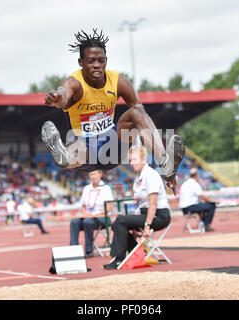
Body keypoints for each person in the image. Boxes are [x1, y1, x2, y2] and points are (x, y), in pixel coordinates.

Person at [41, 29, 185, 194]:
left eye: (101, 61)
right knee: (76, 147)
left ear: (106, 61)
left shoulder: (119, 81)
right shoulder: (74, 83)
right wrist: (58, 99)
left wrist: (169, 175)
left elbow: (142, 118)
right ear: (81, 62)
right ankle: (64, 158)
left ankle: (165, 163)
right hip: (85, 148)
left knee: (137, 111)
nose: (97, 65)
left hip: (111, 145)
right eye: (91, 61)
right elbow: (64, 95)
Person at [103, 146, 171, 270]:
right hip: (145, 214)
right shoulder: (138, 177)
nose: (131, 163)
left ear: (144, 159)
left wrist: (146, 226)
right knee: (116, 224)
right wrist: (134, 224)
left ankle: (119, 258)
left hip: (159, 216)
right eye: (130, 160)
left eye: (134, 159)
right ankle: (137, 252)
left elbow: (153, 204)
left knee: (120, 220)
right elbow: (138, 205)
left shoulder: (151, 175)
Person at [70, 170, 114, 258]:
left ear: (100, 174)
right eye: (90, 174)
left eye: (94, 174)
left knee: (87, 221)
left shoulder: (106, 188)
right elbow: (83, 206)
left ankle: (89, 250)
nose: (92, 176)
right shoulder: (87, 188)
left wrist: (95, 214)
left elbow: (109, 207)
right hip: (88, 216)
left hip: (102, 218)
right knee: (74, 221)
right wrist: (85, 212)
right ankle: (73, 250)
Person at [179, 167, 219, 232]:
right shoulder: (194, 184)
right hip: (190, 207)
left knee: (204, 206)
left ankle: (203, 224)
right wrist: (213, 200)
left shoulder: (185, 183)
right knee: (212, 205)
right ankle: (206, 225)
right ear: (197, 175)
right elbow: (202, 196)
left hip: (184, 208)